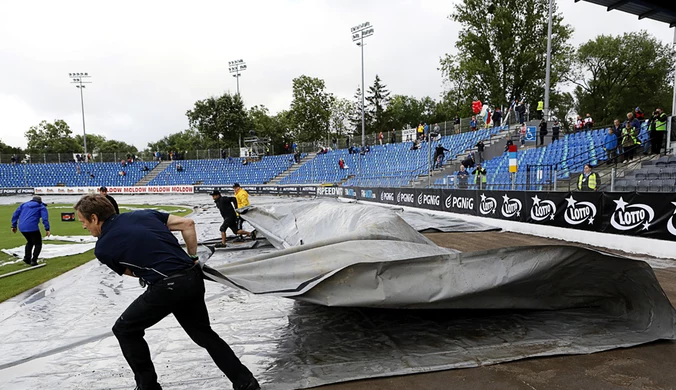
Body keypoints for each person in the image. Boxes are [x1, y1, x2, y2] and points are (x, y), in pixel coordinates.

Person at [73, 195, 260, 390]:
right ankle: (245, 382)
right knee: (205, 335)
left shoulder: (102, 248)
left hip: (167, 286)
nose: (84, 227)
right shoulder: (144, 214)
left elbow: (132, 272)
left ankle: (148, 386)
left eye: (83, 222)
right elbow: (187, 224)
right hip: (192, 276)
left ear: (94, 218)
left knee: (124, 330)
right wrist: (193, 256)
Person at [11, 196, 51, 266]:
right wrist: (47, 229)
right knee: (38, 244)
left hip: (22, 227)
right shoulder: (41, 207)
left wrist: (14, 225)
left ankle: (27, 258)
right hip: (32, 227)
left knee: (30, 242)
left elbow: (15, 214)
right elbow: (45, 219)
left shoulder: (23, 205)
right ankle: (34, 260)